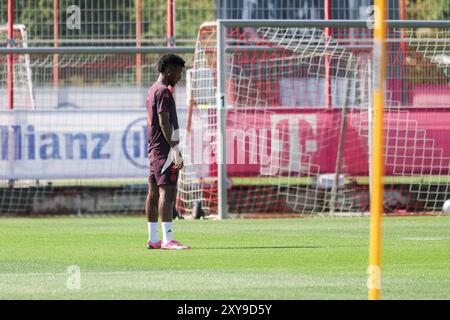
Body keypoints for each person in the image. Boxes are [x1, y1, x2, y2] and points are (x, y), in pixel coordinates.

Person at [145, 54, 190, 250]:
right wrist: (175, 149)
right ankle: (168, 239)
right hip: (164, 150)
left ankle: (154, 239)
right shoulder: (164, 92)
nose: (180, 77)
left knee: (154, 192)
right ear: (169, 70)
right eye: (179, 72)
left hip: (154, 148)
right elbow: (164, 122)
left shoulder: (152, 90)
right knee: (168, 191)